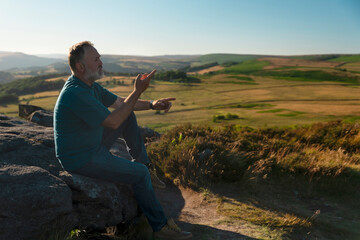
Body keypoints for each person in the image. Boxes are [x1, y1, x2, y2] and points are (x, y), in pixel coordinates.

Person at [54, 41, 192, 240]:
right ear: (80, 67)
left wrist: (153, 104)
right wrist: (138, 90)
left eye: (100, 57)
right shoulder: (75, 92)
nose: (101, 62)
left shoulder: (89, 85)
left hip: (91, 144)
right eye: (96, 59)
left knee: (128, 116)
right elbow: (112, 121)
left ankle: (145, 165)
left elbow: (121, 104)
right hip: (82, 158)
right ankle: (161, 228)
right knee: (139, 174)